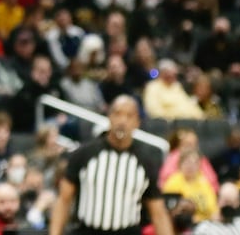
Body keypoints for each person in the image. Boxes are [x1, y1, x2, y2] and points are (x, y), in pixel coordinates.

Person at [49, 96, 177, 235]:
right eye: (118, 114)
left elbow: (158, 213)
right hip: (88, 230)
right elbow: (63, 200)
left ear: (137, 122)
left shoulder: (145, 161)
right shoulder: (84, 154)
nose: (122, 121)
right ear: (109, 117)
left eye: (129, 116)